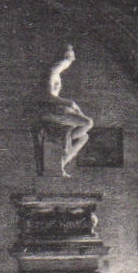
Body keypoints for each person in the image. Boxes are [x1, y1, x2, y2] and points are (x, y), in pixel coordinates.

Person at [37, 45, 93, 176]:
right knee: (88, 122)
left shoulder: (56, 74)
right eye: (69, 60)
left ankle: (61, 164)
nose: (70, 63)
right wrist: (70, 103)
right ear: (63, 60)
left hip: (58, 110)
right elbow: (47, 96)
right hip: (50, 112)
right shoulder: (51, 73)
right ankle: (66, 138)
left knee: (84, 137)